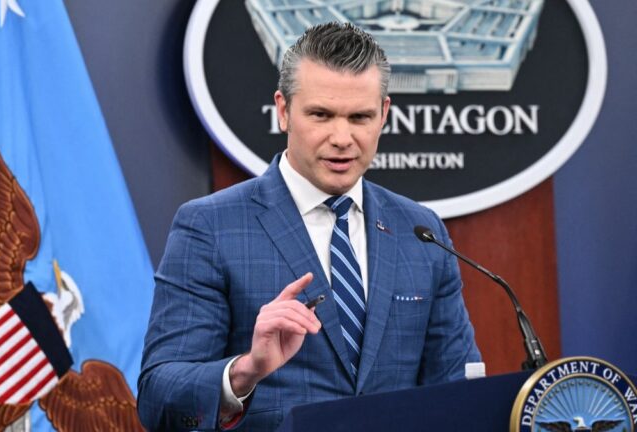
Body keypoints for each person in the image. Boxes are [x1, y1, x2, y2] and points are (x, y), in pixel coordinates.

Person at [138, 22, 480, 431]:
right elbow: (158, 398)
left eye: (360, 117)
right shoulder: (210, 226)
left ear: (383, 114)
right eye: (321, 114)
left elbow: (458, 391)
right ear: (283, 110)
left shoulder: (421, 232)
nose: (342, 137)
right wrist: (246, 370)